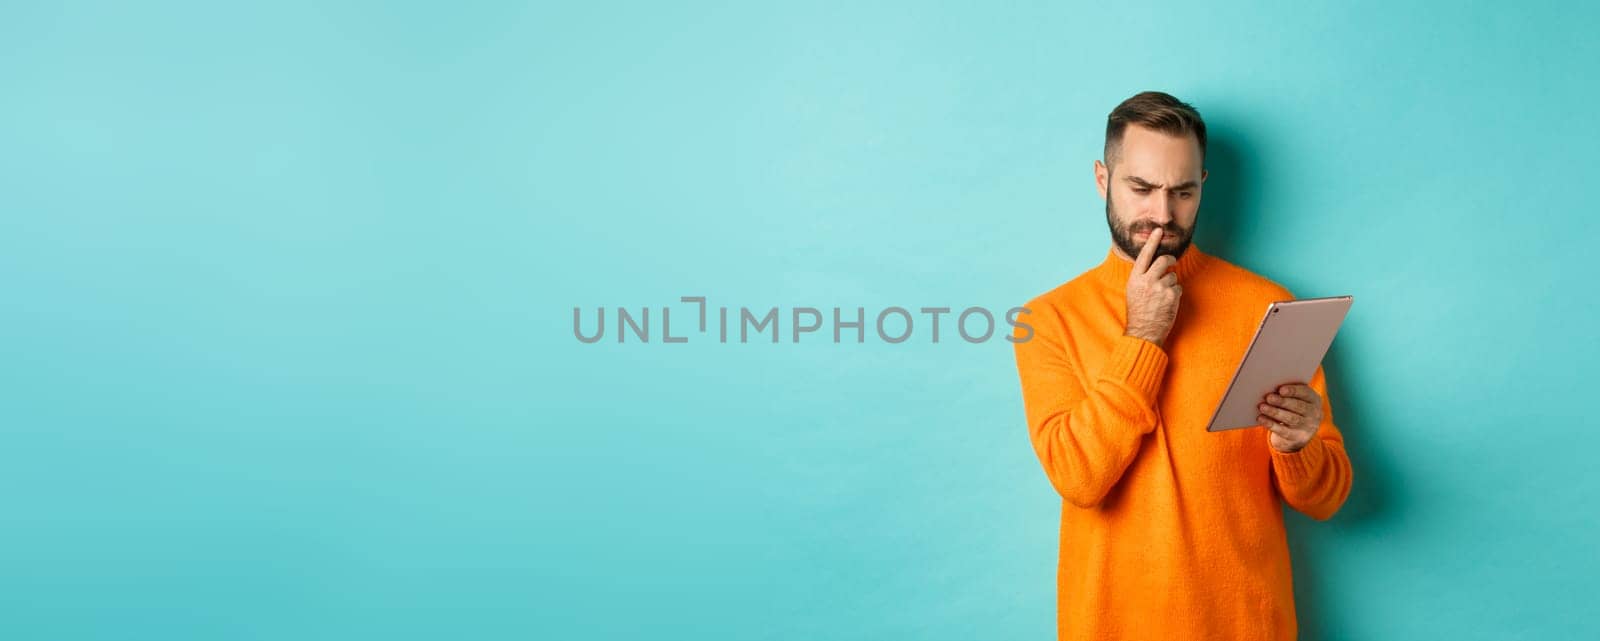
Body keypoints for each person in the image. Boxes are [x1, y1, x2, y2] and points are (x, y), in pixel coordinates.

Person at [1011, 91, 1354, 640]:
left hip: (1248, 625)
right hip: (1112, 625)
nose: (1162, 215)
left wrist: (1298, 446)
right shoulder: (1048, 319)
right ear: (1103, 180)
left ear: (1202, 187)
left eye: (1183, 192)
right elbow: (1079, 478)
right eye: (1141, 188)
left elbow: (1328, 498)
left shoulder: (1269, 307)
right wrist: (1143, 334)